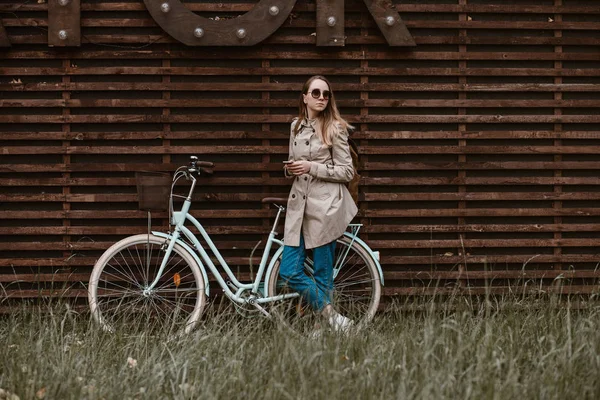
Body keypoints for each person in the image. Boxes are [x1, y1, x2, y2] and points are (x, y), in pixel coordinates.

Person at [280, 75, 358, 333]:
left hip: (325, 207)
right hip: (298, 207)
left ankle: (320, 328)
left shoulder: (335, 128)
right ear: (304, 97)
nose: (322, 98)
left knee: (323, 273)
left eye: (326, 94)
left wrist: (311, 167)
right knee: (289, 271)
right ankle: (333, 317)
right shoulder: (295, 126)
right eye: (316, 93)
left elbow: (347, 172)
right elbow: (294, 162)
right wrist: (291, 170)